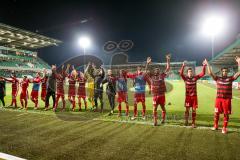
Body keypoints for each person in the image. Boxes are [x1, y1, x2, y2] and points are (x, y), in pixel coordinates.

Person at [206, 57, 240, 134]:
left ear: (227, 72)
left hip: (227, 99)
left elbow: (239, 72)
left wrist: (239, 62)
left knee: (226, 113)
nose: (224, 72)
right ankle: (216, 125)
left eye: (226, 71)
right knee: (216, 113)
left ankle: (224, 128)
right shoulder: (218, 78)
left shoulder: (230, 79)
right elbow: (210, 73)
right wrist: (208, 64)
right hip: (218, 99)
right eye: (223, 71)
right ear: (221, 72)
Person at [180, 59, 206, 127]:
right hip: (188, 97)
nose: (190, 73)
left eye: (191, 72)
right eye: (189, 72)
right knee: (187, 110)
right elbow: (181, 74)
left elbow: (203, 73)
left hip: (194, 97)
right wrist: (183, 66)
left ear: (192, 73)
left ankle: (193, 123)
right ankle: (186, 120)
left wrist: (204, 66)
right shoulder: (185, 78)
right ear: (187, 73)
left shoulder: (195, 78)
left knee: (194, 110)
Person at [147, 55, 170, 126]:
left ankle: (163, 119)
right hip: (155, 96)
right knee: (154, 109)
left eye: (158, 70)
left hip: (161, 95)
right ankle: (155, 121)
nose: (157, 71)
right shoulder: (151, 76)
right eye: (156, 70)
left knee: (163, 108)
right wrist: (148, 63)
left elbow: (168, 68)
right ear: (154, 71)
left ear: (159, 71)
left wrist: (168, 60)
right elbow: (146, 71)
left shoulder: (162, 75)